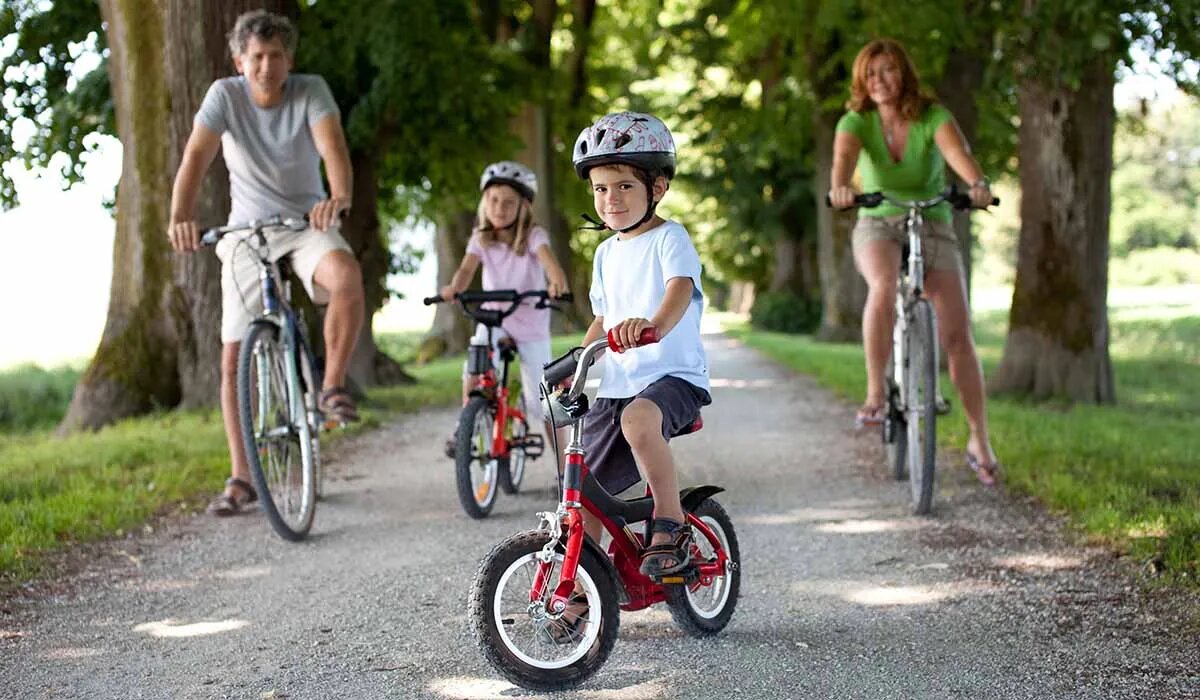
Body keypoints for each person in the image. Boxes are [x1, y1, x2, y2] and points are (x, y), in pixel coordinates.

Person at [166, 10, 365, 515]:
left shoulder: (310, 90)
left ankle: (332, 388)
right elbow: (194, 158)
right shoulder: (223, 96)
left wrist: (338, 198)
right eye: (256, 57)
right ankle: (241, 476)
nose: (266, 66)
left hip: (306, 223)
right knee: (233, 356)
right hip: (245, 232)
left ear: (288, 60)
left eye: (275, 56)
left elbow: (332, 146)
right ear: (240, 61)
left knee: (345, 275)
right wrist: (180, 217)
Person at [828, 37, 1000, 485]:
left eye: (887, 70)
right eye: (871, 73)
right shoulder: (856, 120)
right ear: (862, 82)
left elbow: (958, 155)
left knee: (958, 334)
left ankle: (979, 438)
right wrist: (842, 187)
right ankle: (875, 394)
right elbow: (843, 161)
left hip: (932, 219)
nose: (880, 80)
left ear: (903, 72)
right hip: (879, 222)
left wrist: (977, 185)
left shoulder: (933, 116)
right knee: (884, 285)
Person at [571, 112, 712, 578]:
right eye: (600, 189)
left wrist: (652, 326)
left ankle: (667, 519)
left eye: (624, 186)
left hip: (672, 377)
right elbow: (603, 318)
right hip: (618, 384)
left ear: (658, 188)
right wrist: (574, 366)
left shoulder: (670, 238)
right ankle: (580, 592)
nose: (610, 199)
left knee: (639, 419)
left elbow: (679, 290)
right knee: (585, 488)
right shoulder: (605, 253)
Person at [440, 161, 570, 456]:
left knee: (541, 401)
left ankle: (564, 469)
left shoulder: (534, 237)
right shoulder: (480, 239)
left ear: (523, 207)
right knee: (475, 365)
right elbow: (464, 271)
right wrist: (454, 288)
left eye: (509, 203)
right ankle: (466, 428)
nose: (500, 208)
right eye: (494, 200)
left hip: (530, 323)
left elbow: (553, 268)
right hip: (494, 317)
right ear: (484, 202)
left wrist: (556, 284)